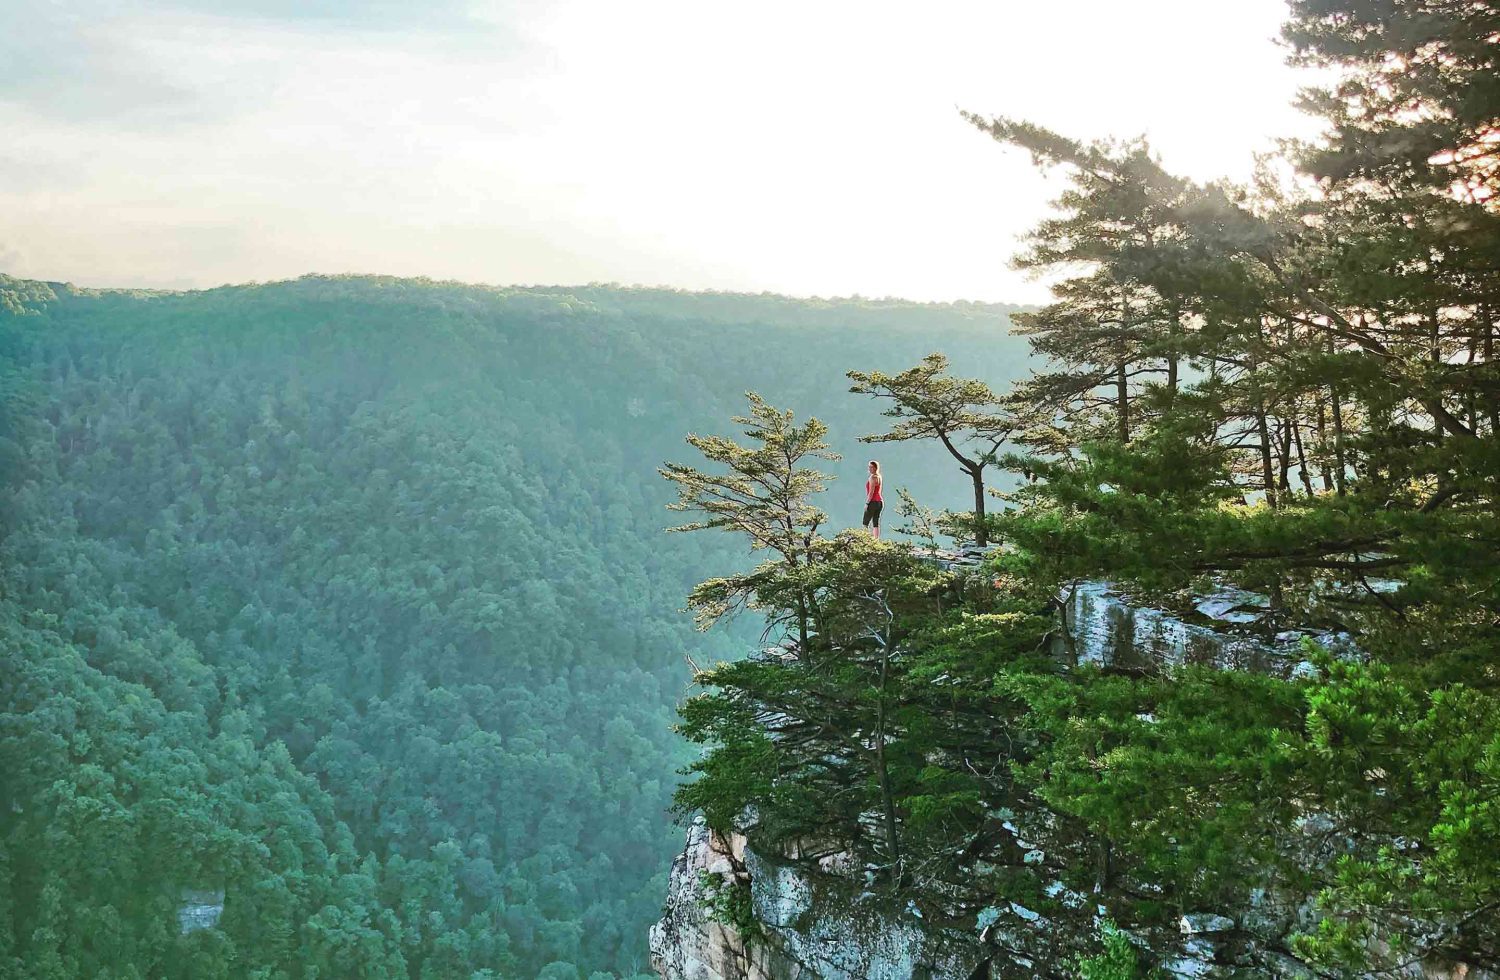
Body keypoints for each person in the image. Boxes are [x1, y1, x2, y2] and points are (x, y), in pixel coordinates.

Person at [862, 460, 883, 538]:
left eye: (871, 467)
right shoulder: (879, 477)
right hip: (880, 502)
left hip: (873, 502)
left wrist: (867, 503)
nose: (869, 468)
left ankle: (864, 539)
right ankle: (876, 540)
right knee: (875, 522)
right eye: (869, 467)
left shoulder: (872, 478)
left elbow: (871, 493)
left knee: (865, 522)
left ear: (875, 468)